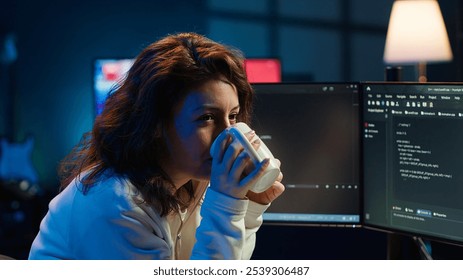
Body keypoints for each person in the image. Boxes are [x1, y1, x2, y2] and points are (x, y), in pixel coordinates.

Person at [28, 32, 285, 260]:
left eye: (233, 116)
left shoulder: (195, 181)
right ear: (156, 124)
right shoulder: (116, 204)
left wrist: (248, 210)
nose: (227, 135)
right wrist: (226, 205)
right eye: (206, 118)